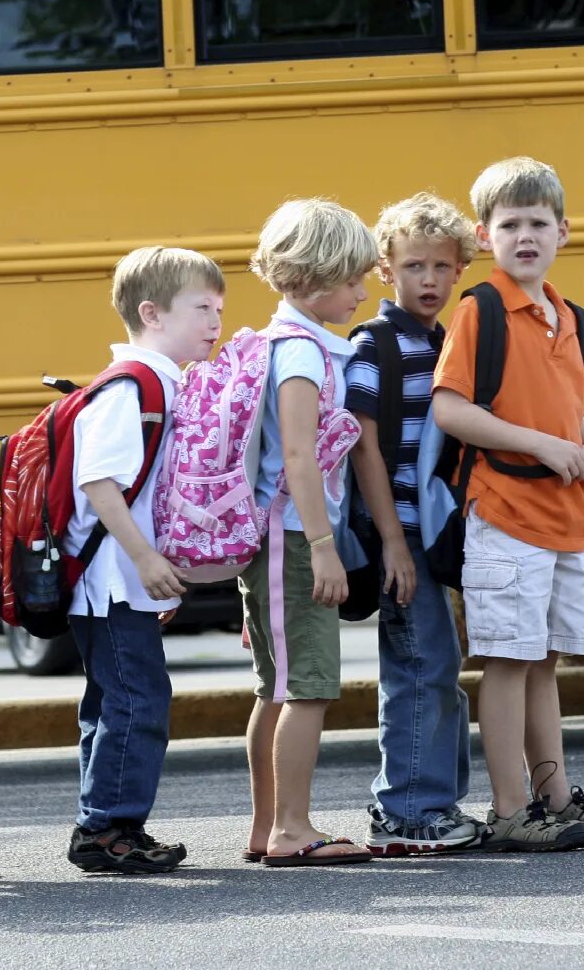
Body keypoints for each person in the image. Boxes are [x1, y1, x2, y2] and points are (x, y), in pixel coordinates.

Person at [432, 156, 584, 851]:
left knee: (543, 659)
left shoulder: (569, 318)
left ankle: (555, 799)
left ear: (563, 230)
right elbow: (450, 409)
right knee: (506, 660)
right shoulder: (479, 310)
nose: (524, 235)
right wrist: (540, 446)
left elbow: (565, 410)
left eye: (537, 223)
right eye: (509, 224)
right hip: (503, 514)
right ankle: (508, 808)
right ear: (482, 234)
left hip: (564, 517)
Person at [65, 247, 226, 874]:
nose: (215, 321)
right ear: (152, 313)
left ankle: (104, 819)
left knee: (112, 702)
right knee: (138, 701)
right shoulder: (133, 385)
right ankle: (108, 827)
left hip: (121, 580)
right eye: (202, 308)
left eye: (219, 308)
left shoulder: (162, 381)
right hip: (112, 578)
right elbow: (98, 481)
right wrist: (146, 560)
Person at [344, 193, 481, 855]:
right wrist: (392, 543)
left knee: (439, 668)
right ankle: (406, 811)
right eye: (413, 266)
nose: (427, 280)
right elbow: (362, 444)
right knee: (418, 669)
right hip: (395, 536)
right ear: (384, 270)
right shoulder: (374, 344)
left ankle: (436, 802)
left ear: (459, 269)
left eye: (440, 267)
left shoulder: (443, 341)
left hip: (435, 537)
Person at [242, 199, 378, 867]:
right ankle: (291, 830)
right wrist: (322, 549)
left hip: (279, 544)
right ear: (314, 274)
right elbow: (297, 456)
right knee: (310, 687)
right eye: (352, 278)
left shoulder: (289, 344)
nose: (361, 291)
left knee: (278, 686)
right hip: (294, 538)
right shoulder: (298, 353)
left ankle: (267, 826)